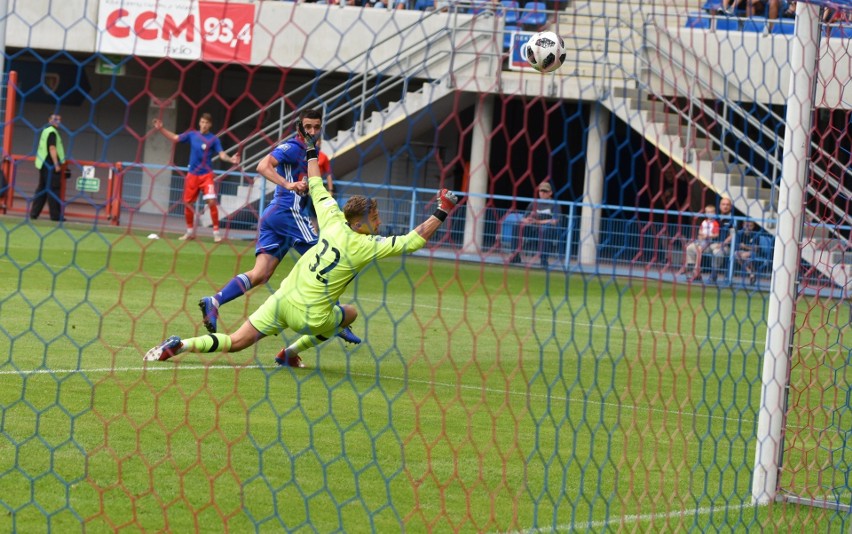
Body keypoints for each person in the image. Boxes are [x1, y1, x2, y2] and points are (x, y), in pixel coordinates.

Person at [144, 122, 459, 368]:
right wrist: (442, 209)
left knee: (236, 341)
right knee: (348, 313)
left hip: (282, 300)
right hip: (311, 318)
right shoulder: (367, 245)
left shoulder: (332, 216)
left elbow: (317, 182)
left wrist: (310, 151)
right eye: (374, 218)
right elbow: (412, 241)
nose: (378, 222)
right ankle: (290, 351)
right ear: (361, 222)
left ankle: (181, 344)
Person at [196, 108, 360, 345]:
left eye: (316, 127)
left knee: (261, 273)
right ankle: (338, 322)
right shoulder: (293, 147)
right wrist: (288, 184)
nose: (312, 131)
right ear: (299, 128)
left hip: (275, 216)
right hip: (288, 213)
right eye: (308, 127)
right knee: (326, 260)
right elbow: (263, 166)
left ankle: (215, 301)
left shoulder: (311, 152)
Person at [152, 113, 240, 242]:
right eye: (202, 122)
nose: (204, 125)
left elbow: (221, 154)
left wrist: (230, 159)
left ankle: (216, 233)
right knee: (187, 203)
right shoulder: (192, 135)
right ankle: (189, 233)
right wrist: (161, 129)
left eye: (207, 123)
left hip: (206, 175)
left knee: (211, 202)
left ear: (210, 125)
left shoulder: (213, 139)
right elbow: (176, 138)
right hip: (192, 174)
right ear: (199, 123)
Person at [508, 182, 562, 268]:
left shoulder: (555, 204)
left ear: (550, 193)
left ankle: (544, 259)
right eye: (541, 191)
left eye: (545, 191)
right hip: (533, 227)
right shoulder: (534, 203)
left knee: (546, 230)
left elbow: (555, 221)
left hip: (547, 229)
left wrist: (539, 222)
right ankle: (515, 255)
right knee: (517, 226)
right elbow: (524, 217)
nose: (542, 193)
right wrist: (528, 219)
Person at [30, 113, 66, 221]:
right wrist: (56, 164)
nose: (57, 122)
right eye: (55, 119)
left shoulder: (45, 130)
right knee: (53, 189)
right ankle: (55, 216)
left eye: (59, 120)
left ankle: (34, 213)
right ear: (49, 120)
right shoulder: (52, 132)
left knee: (42, 188)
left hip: (42, 163)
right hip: (50, 164)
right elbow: (52, 148)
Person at [676, 204, 719, 282]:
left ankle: (697, 268)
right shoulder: (704, 222)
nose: (709, 214)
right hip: (701, 239)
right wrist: (701, 235)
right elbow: (700, 231)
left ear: (714, 213)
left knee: (699, 249)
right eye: (708, 212)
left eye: (711, 212)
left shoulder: (715, 223)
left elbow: (716, 234)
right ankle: (687, 266)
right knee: (688, 247)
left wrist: (707, 236)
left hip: (709, 241)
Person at [708, 196, 735, 283]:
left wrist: (723, 244)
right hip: (711, 244)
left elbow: (732, 235)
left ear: (730, 207)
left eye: (727, 205)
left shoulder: (733, 220)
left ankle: (714, 273)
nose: (725, 206)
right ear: (719, 206)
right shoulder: (714, 218)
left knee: (717, 252)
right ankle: (694, 272)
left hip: (725, 246)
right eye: (723, 204)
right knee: (692, 248)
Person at [735, 220, 761, 284]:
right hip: (742, 252)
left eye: (750, 226)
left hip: (753, 253)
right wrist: (743, 247)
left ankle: (751, 273)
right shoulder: (739, 233)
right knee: (736, 254)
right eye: (746, 225)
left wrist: (745, 247)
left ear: (753, 226)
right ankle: (751, 273)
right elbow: (737, 246)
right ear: (743, 225)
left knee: (744, 256)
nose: (748, 227)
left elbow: (756, 248)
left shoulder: (755, 235)